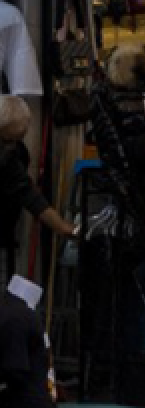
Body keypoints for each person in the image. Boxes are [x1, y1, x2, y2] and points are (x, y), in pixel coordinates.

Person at [0, 96, 76, 279]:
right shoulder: (8, 157)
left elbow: (29, 195)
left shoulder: (13, 154)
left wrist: (63, 227)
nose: (12, 145)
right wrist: (64, 227)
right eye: (8, 140)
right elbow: (30, 197)